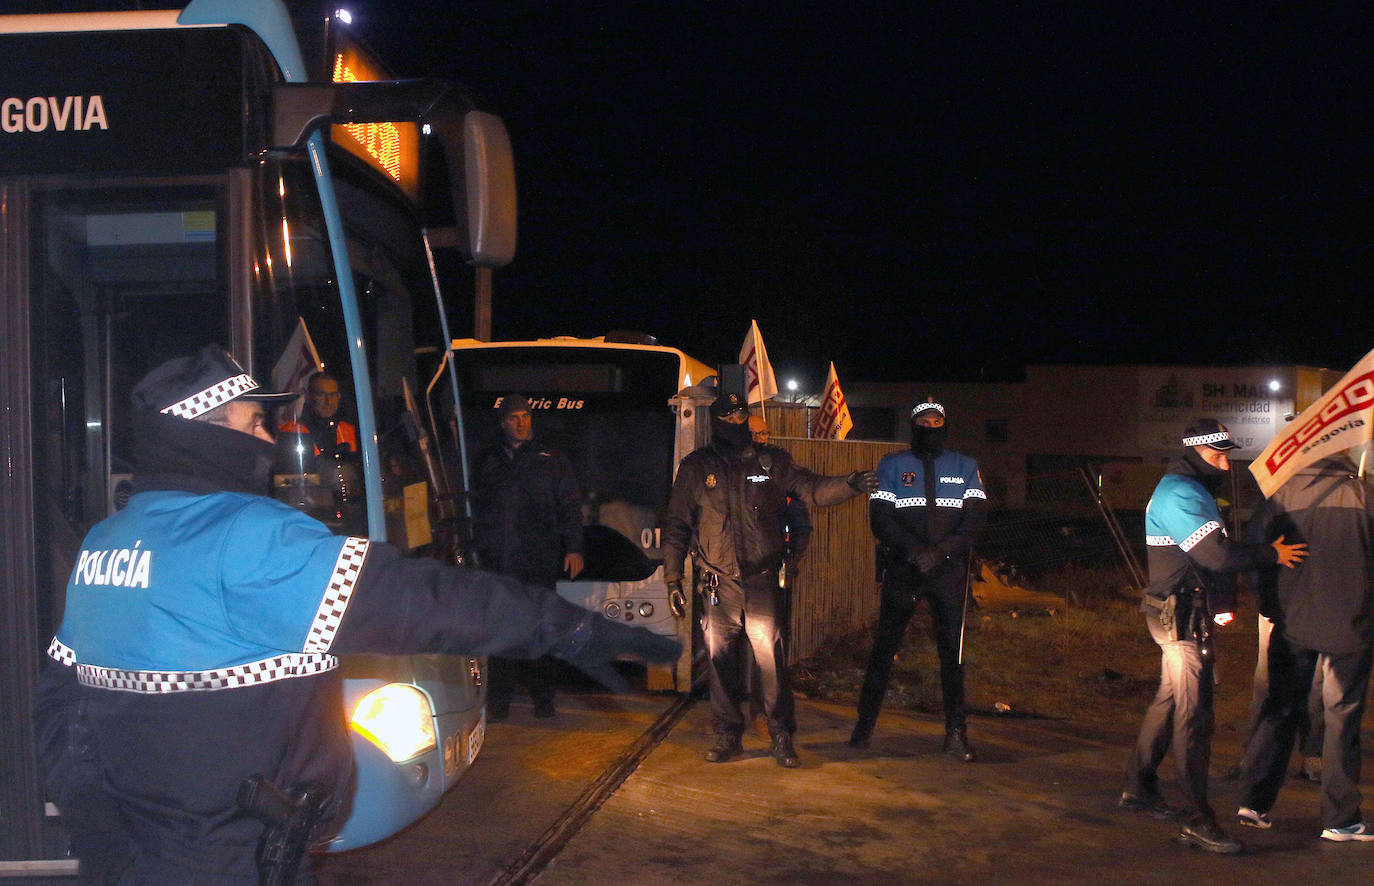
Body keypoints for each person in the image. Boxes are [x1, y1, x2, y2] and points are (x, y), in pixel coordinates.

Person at [31, 347, 677, 884]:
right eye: (257, 423)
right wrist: (571, 628)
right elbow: (427, 602)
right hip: (235, 864)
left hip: (128, 862)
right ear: (211, 430)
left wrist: (103, 829)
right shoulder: (248, 538)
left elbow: (58, 702)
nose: (270, 439)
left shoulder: (107, 543)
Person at [662, 390, 876, 768]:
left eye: (741, 415)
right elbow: (678, 524)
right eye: (728, 416)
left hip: (761, 579)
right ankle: (728, 734)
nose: (735, 422)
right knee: (720, 660)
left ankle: (780, 734)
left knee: (771, 662)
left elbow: (813, 488)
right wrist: (673, 578)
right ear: (716, 421)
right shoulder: (697, 466)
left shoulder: (772, 462)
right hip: (718, 583)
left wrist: (852, 483)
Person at [1120, 418, 1306, 855]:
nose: (1225, 463)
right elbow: (1218, 555)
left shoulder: (1190, 489)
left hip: (1179, 611)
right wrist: (1271, 554)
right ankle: (1197, 818)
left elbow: (1208, 558)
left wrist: (1221, 602)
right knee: (1194, 716)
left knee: (1169, 702)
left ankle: (1139, 787)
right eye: (1217, 455)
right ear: (1193, 453)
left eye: (1227, 454)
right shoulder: (1181, 492)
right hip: (1179, 617)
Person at [1236, 454, 1374, 841]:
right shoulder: (1365, 496)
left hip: (1292, 622)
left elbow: (1257, 557)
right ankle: (1341, 818)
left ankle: (1253, 801)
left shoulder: (1279, 496)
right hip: (1351, 626)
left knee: (1279, 708)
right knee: (1341, 719)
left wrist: (1268, 607)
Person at [849, 397, 987, 761]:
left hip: (949, 573)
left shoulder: (966, 466)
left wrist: (940, 553)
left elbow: (974, 521)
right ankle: (863, 728)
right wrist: (914, 553)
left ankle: (956, 733)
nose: (929, 427)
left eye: (935, 422)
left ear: (945, 425)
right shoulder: (893, 465)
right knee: (883, 649)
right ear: (913, 427)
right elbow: (880, 519)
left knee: (951, 657)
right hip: (904, 570)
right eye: (922, 423)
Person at [473, 394, 586, 720]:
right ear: (503, 422)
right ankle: (499, 701)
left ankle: (543, 698)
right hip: (499, 561)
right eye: (514, 418)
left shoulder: (551, 459)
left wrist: (574, 547)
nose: (521, 423)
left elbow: (570, 507)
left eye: (525, 416)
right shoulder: (489, 460)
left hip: (538, 558)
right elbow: (477, 506)